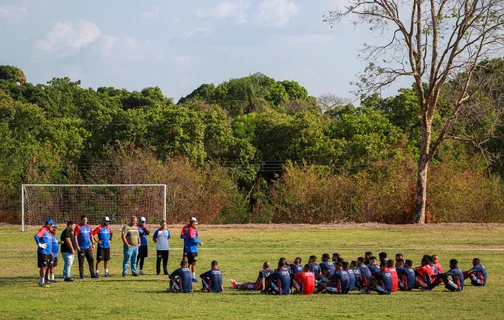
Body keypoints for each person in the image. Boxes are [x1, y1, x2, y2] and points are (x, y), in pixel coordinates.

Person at [34, 219, 54, 287]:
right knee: (44, 266)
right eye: (51, 225)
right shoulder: (43, 230)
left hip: (48, 252)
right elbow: (36, 236)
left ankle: (44, 280)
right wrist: (39, 244)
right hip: (43, 252)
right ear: (48, 224)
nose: (52, 226)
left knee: (46, 266)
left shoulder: (48, 232)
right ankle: (41, 282)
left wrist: (50, 251)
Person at [184, 217, 203, 282]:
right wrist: (199, 242)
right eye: (196, 224)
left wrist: (196, 231)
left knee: (191, 263)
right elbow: (193, 239)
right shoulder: (190, 230)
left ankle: (192, 277)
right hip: (191, 249)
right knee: (194, 262)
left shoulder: (194, 230)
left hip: (194, 249)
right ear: (192, 224)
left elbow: (196, 236)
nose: (197, 226)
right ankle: (189, 276)